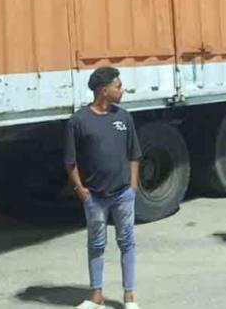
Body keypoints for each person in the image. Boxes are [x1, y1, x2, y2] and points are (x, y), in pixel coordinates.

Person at [65, 67, 142, 309]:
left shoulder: (124, 117)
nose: (122, 90)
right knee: (97, 245)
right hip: (95, 197)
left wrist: (133, 187)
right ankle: (96, 296)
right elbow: (70, 161)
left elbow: (134, 154)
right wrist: (81, 191)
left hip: (122, 194)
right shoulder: (78, 122)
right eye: (118, 86)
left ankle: (129, 296)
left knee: (127, 242)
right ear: (103, 90)